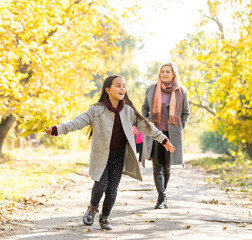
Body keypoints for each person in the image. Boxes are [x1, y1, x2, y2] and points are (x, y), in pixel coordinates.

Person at [45, 75, 175, 230]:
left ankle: (105, 217)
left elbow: (147, 127)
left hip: (118, 156)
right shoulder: (96, 110)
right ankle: (92, 209)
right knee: (101, 185)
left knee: (112, 190)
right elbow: (76, 122)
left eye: (124, 86)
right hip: (101, 156)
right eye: (118, 86)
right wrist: (56, 130)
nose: (122, 89)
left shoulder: (128, 111)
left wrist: (164, 139)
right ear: (108, 89)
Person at [141, 62, 190, 209]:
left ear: (173, 74)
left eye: (168, 71)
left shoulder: (181, 91)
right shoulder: (152, 89)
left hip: (171, 134)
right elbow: (145, 109)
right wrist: (147, 124)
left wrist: (180, 126)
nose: (165, 74)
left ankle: (162, 195)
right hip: (155, 133)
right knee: (157, 167)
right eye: (162, 71)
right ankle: (161, 197)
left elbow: (185, 113)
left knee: (167, 167)